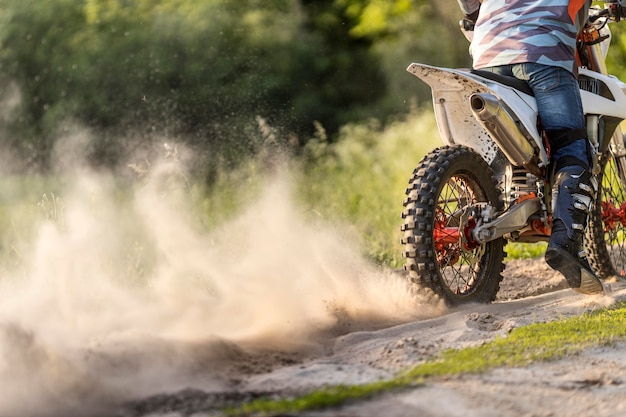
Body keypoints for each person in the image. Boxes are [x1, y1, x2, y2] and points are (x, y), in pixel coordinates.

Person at [456, 0, 605, 294]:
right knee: (572, 147)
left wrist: (475, 16)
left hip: (485, 57)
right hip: (543, 53)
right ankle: (566, 244)